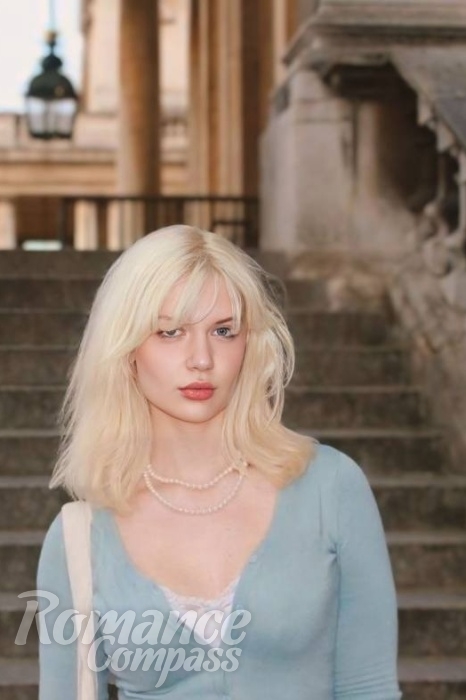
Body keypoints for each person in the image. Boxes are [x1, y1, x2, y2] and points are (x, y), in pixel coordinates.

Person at [36, 224, 402, 699]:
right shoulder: (79, 539)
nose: (201, 359)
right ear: (126, 351)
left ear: (250, 344)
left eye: (223, 331)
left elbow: (370, 688)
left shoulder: (329, 488)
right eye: (170, 332)